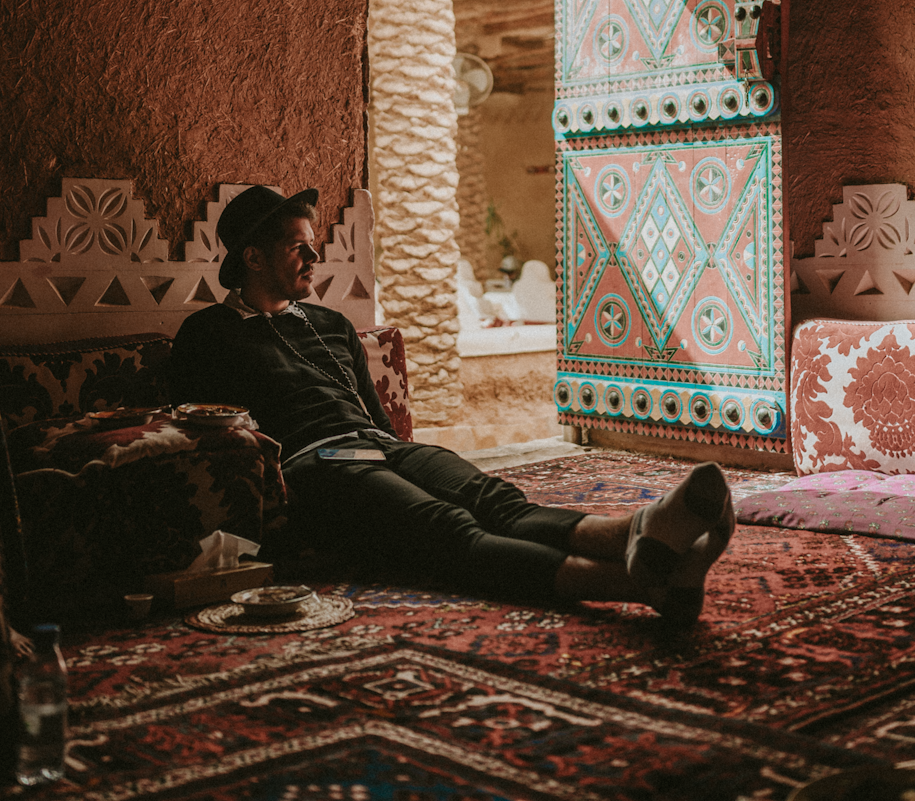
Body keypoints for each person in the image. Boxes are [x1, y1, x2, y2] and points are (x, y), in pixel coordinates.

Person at [168, 185, 735, 626]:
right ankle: (643, 586)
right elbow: (197, 427)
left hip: (380, 448)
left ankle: (644, 531)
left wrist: (399, 457)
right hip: (315, 467)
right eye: (298, 246)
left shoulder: (331, 324)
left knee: (496, 499)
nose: (315, 255)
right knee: (448, 527)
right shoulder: (209, 333)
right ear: (254, 258)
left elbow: (375, 415)